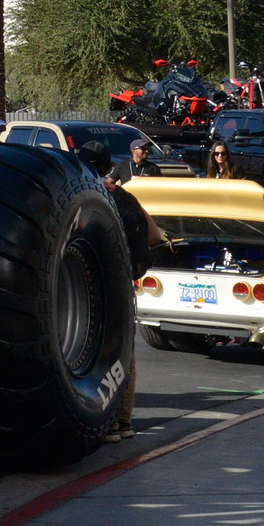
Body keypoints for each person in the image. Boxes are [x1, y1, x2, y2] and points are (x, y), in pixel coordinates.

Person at [79, 141, 163, 441]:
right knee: (124, 352)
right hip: (126, 283)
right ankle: (122, 422)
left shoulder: (87, 194)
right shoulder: (126, 197)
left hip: (94, 284)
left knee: (96, 350)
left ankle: (108, 421)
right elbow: (154, 235)